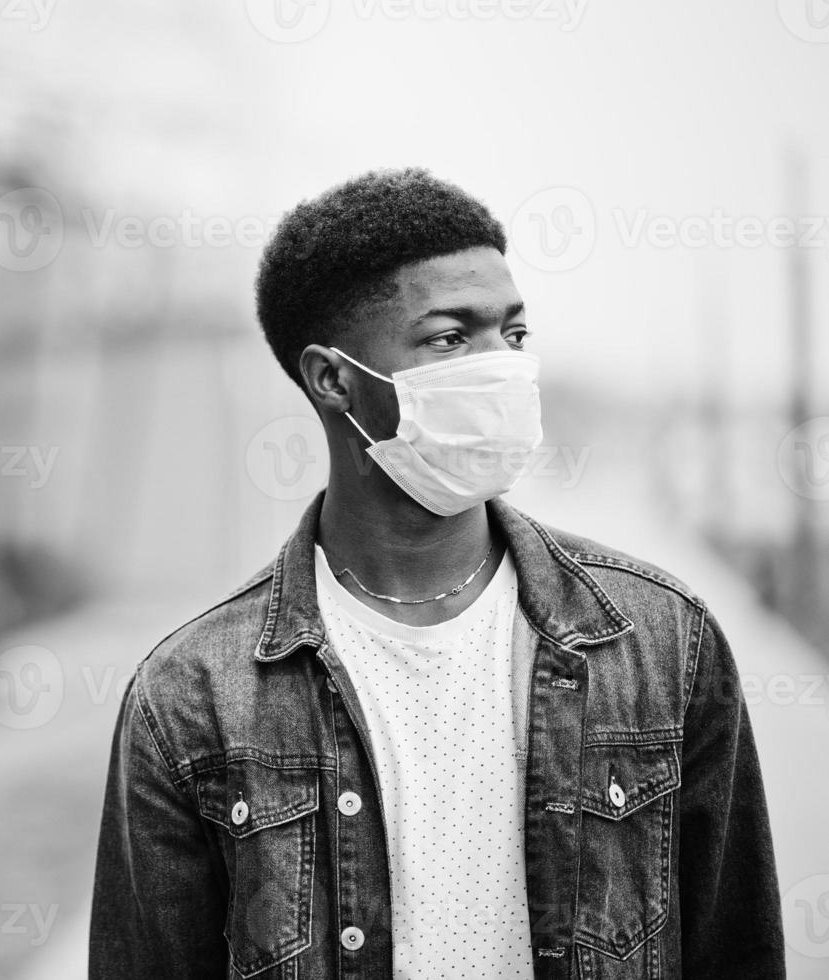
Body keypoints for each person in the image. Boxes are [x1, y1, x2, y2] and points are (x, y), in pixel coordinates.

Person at [88, 168, 784, 979]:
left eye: (513, 335)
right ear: (333, 378)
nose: (502, 370)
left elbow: (736, 946)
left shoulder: (660, 637)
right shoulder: (189, 696)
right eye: (450, 338)